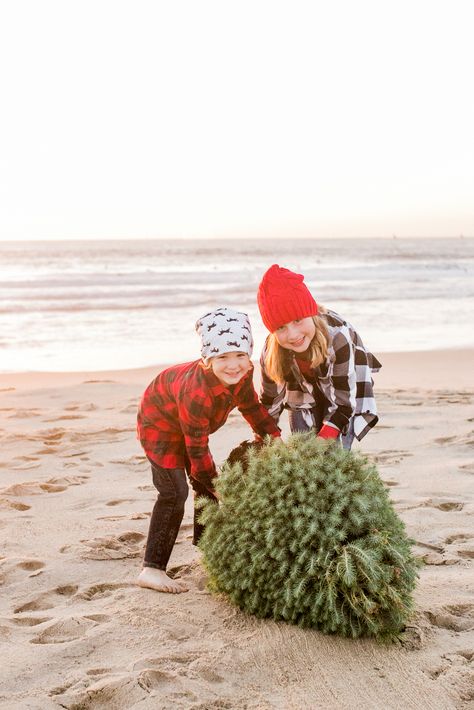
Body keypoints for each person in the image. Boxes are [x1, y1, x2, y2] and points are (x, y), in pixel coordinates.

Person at [136, 306, 281, 594]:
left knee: (204, 485)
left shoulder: (242, 375)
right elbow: (198, 450)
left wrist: (273, 436)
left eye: (240, 355)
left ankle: (208, 550)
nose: (234, 365)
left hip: (189, 428)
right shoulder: (197, 393)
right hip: (160, 428)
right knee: (175, 491)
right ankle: (151, 570)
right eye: (222, 357)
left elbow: (251, 406)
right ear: (207, 359)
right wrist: (220, 488)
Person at [257, 264, 381, 450]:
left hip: (343, 391)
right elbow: (269, 403)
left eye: (298, 320)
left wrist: (323, 441)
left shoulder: (338, 337)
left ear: (311, 313)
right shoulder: (271, 349)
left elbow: (344, 404)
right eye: (280, 327)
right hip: (302, 391)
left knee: (334, 454)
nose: (292, 335)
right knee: (303, 450)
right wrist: (269, 438)